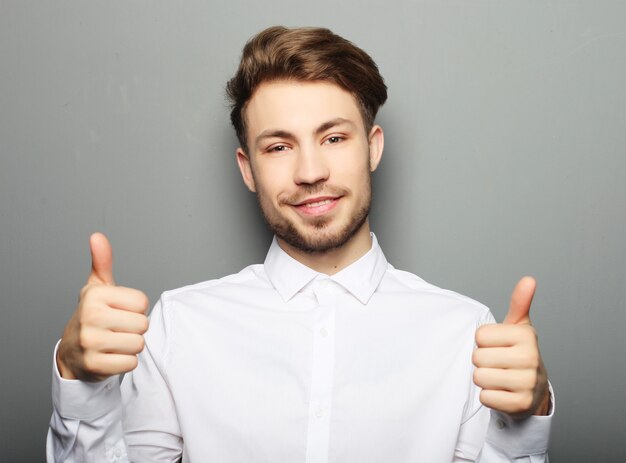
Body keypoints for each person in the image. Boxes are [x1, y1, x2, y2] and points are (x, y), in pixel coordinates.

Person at [47, 26, 553, 462]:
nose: (311, 173)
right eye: (279, 146)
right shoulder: (179, 326)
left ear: (372, 147)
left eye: (334, 138)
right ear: (248, 169)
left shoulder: (468, 335)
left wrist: (525, 422)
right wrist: (78, 384)